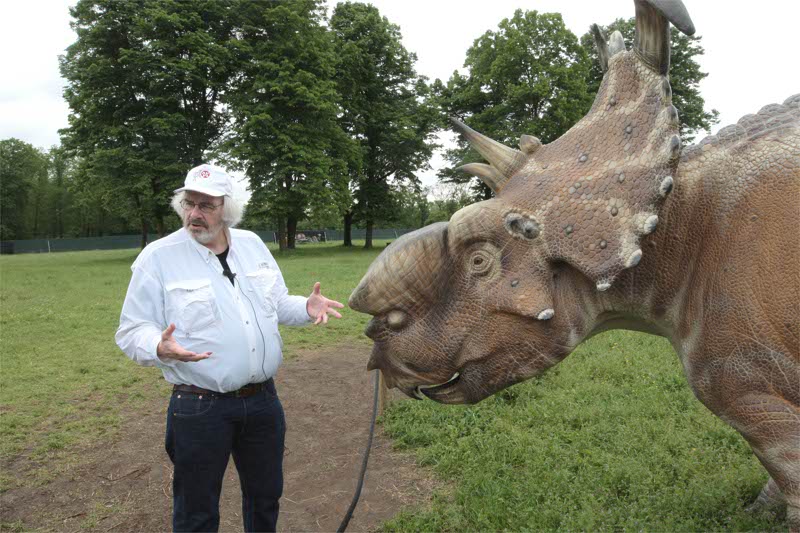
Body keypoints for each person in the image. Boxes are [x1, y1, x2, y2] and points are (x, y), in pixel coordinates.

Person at [115, 163, 344, 532]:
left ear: (227, 209)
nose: (195, 214)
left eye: (207, 205)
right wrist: (157, 345)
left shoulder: (253, 246)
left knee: (266, 496)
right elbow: (131, 330)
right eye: (189, 203)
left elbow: (276, 303)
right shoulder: (158, 257)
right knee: (196, 510)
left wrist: (305, 306)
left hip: (263, 402)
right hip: (199, 406)